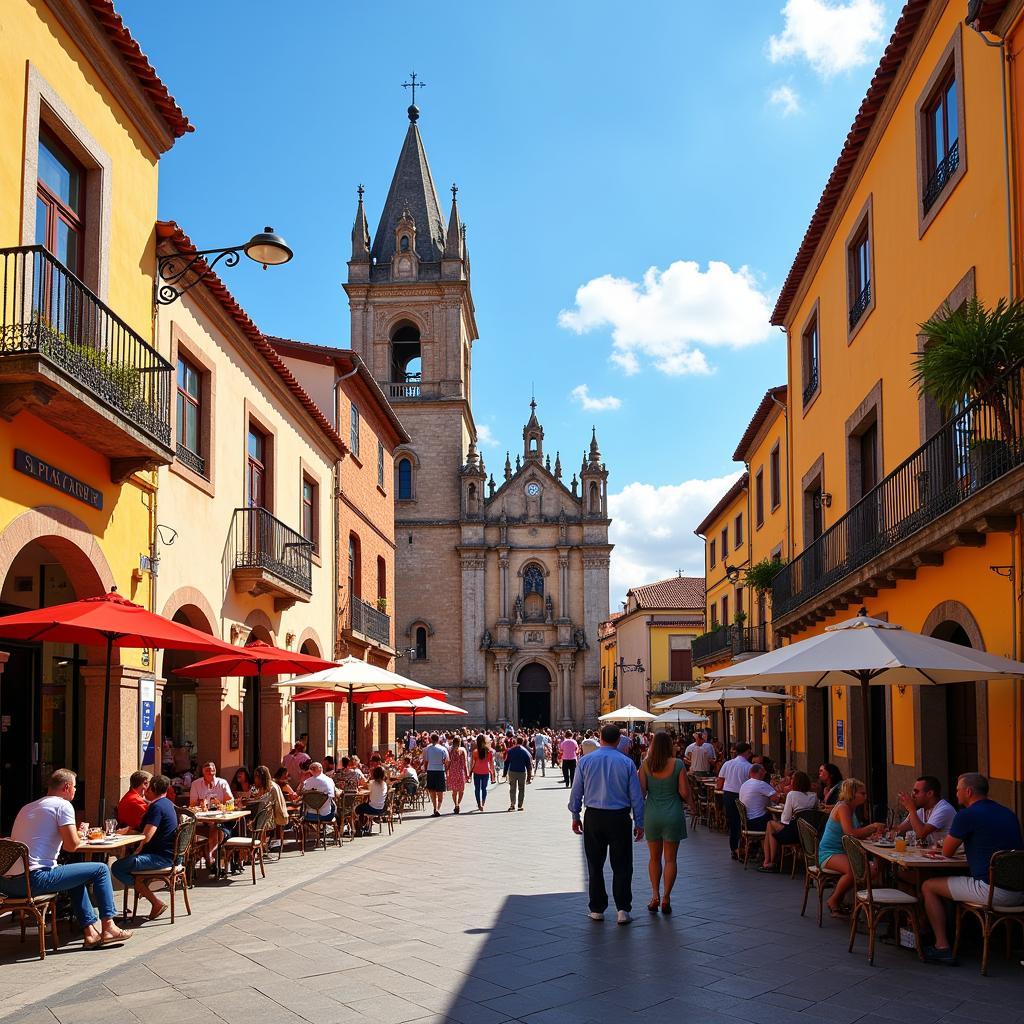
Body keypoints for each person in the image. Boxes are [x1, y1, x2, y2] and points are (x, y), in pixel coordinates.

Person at [0, 769, 132, 947]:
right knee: (100, 869)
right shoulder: (62, 805)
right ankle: (109, 926)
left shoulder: (28, 807)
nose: (76, 791)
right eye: (75, 787)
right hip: (34, 880)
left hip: (7, 884)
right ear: (67, 787)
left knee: (74, 875)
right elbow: (71, 845)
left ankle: (90, 933)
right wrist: (79, 834)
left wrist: (72, 835)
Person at [921, 772, 1024, 965]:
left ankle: (942, 946)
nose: (956, 793)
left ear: (968, 791)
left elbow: (948, 851)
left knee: (928, 886)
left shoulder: (966, 815)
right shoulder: (1008, 812)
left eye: (958, 789)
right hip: (1019, 891)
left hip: (990, 890)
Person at [569, 724, 645, 925]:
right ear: (619, 741)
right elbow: (636, 796)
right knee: (622, 865)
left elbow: (577, 792)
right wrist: (639, 821)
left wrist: (575, 815)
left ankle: (597, 909)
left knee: (594, 864)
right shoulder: (627, 763)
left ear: (600, 738)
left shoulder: (585, 761)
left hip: (593, 817)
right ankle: (622, 909)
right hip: (619, 818)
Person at [638, 731, 695, 914]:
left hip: (652, 814)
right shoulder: (677, 764)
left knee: (654, 858)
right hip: (673, 814)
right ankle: (666, 898)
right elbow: (684, 792)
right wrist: (693, 806)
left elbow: (641, 793)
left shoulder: (646, 764)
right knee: (670, 859)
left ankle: (654, 895)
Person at [112, 774, 178, 921]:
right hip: (169, 855)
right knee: (132, 872)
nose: (145, 790)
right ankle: (144, 889)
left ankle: (152, 898)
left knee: (117, 867)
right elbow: (143, 829)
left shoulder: (156, 807)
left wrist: (137, 850)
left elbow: (147, 835)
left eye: (148, 787)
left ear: (153, 788)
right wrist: (127, 831)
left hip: (160, 858)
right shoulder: (167, 804)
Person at [819, 778, 884, 917]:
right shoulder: (843, 807)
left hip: (843, 852)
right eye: (863, 793)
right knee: (855, 869)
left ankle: (852, 901)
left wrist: (870, 835)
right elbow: (850, 832)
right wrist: (872, 827)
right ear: (852, 794)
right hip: (829, 853)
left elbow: (855, 834)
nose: (865, 796)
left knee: (873, 869)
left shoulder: (851, 808)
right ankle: (834, 900)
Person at [762, 770, 817, 870]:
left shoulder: (792, 794)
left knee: (770, 825)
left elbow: (785, 818)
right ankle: (769, 861)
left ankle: (769, 861)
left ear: (796, 782)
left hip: (794, 832)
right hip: (808, 833)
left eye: (792, 779)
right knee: (772, 826)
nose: (790, 781)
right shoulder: (813, 796)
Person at [189, 761, 234, 863]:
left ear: (215, 771)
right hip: (202, 819)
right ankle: (211, 855)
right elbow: (192, 804)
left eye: (212, 770)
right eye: (207, 770)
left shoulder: (222, 783)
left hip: (219, 817)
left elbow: (230, 800)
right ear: (203, 772)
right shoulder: (196, 784)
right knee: (214, 826)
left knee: (215, 825)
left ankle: (209, 854)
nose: (210, 772)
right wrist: (201, 803)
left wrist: (221, 804)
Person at [716, 742, 754, 860]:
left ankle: (734, 848)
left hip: (728, 795)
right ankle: (741, 848)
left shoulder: (727, 764)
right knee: (743, 822)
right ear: (747, 752)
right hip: (742, 796)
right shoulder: (748, 766)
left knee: (733, 822)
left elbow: (720, 782)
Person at [894, 775, 956, 846]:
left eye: (916, 792)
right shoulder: (922, 810)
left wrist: (911, 809)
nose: (913, 795)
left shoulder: (944, 809)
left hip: (950, 856)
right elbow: (900, 829)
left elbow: (921, 833)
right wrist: (885, 828)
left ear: (929, 793)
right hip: (933, 853)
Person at [738, 763, 779, 836]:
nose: (765, 773)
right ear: (760, 772)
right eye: (764, 771)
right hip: (758, 821)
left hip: (746, 822)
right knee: (779, 821)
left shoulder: (745, 784)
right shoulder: (760, 784)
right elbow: (776, 799)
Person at [354, 766, 388, 834]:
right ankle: (366, 825)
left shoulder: (372, 783)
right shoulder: (384, 784)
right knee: (364, 805)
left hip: (372, 808)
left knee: (358, 809)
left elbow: (365, 788)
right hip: (382, 808)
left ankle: (360, 827)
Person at [503, 737, 533, 811]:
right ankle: (520, 805)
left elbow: (506, 762)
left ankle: (512, 804)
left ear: (516, 742)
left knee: (512, 789)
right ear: (522, 742)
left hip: (512, 771)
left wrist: (504, 773)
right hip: (522, 772)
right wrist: (529, 776)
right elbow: (528, 765)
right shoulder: (525, 751)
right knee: (521, 789)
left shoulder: (511, 751)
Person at [423, 732, 449, 817]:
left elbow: (425, 761)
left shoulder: (427, 749)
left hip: (431, 770)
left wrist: (426, 770)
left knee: (432, 791)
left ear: (431, 739)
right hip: (440, 770)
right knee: (440, 791)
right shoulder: (443, 749)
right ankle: (438, 808)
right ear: (438, 740)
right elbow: (447, 761)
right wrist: (446, 769)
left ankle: (435, 807)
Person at [471, 734, 496, 811]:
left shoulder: (475, 752)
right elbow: (491, 764)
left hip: (476, 772)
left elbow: (472, 764)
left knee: (477, 789)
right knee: (484, 788)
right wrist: (493, 774)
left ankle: (479, 803)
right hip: (485, 772)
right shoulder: (489, 752)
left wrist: (469, 772)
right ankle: (483, 802)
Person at [446, 735, 469, 814]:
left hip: (452, 772)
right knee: (461, 790)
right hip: (460, 772)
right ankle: (458, 804)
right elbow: (465, 763)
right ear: (460, 742)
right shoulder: (462, 750)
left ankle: (456, 804)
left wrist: (447, 771)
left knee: (454, 791)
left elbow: (448, 762)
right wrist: (467, 774)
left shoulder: (449, 750)